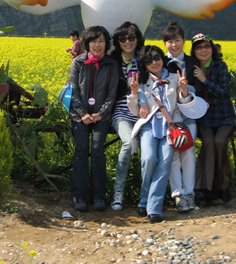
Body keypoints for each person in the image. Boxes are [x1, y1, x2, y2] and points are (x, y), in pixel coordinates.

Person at [127, 45, 192, 223]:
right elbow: (134, 111)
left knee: (164, 164)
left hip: (170, 128)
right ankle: (144, 199)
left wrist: (184, 90)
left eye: (157, 57)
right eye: (149, 60)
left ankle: (153, 208)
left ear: (163, 58)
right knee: (148, 159)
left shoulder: (175, 78)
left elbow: (184, 103)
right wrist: (134, 94)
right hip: (149, 127)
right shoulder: (141, 82)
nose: (154, 62)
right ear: (144, 64)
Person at [69, 25, 119, 212]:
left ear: (106, 43)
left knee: (97, 150)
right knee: (81, 150)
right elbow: (73, 91)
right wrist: (83, 113)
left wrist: (101, 113)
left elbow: (112, 93)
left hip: (101, 116)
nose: (97, 45)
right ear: (87, 43)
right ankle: (79, 195)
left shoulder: (111, 64)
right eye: (93, 41)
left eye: (101, 41)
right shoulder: (78, 63)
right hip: (79, 115)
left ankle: (99, 196)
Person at [190, 33, 236, 206]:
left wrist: (204, 80)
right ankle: (203, 189)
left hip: (224, 116)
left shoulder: (220, 66)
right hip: (204, 118)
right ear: (194, 51)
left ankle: (223, 187)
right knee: (209, 143)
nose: (203, 50)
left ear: (212, 48)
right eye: (199, 47)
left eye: (207, 46)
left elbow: (223, 91)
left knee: (220, 142)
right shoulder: (192, 68)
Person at [109, 21, 146, 211]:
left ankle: (146, 195)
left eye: (131, 37)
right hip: (121, 112)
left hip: (144, 113)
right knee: (128, 143)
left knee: (151, 149)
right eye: (122, 39)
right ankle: (118, 192)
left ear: (138, 39)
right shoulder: (113, 61)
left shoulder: (145, 59)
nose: (127, 42)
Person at [162, 20, 198, 212]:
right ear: (164, 43)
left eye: (177, 40)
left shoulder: (192, 62)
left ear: (184, 40)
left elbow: (198, 88)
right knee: (174, 154)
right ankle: (177, 195)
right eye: (170, 41)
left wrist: (186, 88)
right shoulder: (160, 62)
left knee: (188, 152)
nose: (174, 45)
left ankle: (190, 193)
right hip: (170, 117)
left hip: (188, 115)